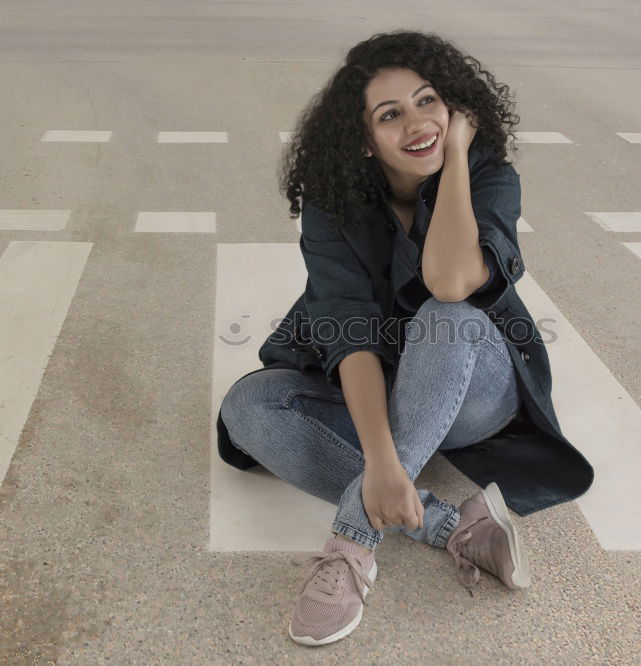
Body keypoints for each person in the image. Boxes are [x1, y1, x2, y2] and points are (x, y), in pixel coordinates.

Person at [219, 29, 583, 647]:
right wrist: (383, 462)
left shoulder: (489, 176)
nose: (418, 124)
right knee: (248, 406)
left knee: (449, 314)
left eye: (428, 101)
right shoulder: (333, 203)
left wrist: (461, 157)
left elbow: (450, 280)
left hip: (471, 392)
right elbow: (349, 334)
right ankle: (450, 526)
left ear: (455, 108)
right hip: (382, 388)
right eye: (390, 115)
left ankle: (351, 547)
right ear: (364, 141)